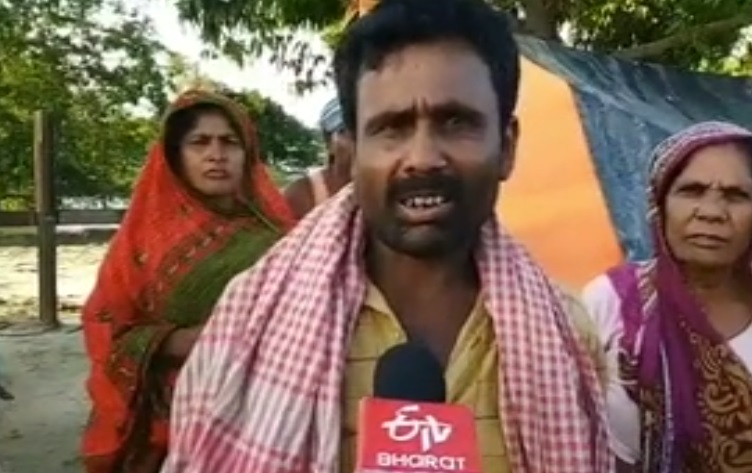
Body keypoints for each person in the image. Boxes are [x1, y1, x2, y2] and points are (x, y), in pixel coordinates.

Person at [161, 0, 612, 472]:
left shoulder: (568, 332)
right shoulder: (249, 317)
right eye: (391, 128)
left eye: (456, 122)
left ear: (507, 147)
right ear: (352, 155)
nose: (421, 157)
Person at [581, 121, 752, 472]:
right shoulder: (613, 302)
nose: (712, 212)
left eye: (736, 195)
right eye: (692, 190)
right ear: (660, 203)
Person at [81, 89, 296, 473]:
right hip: (166, 425)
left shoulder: (278, 237)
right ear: (175, 156)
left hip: (261, 415)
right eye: (199, 142)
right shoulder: (142, 242)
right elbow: (106, 325)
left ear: (247, 155)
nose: (217, 154)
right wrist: (188, 342)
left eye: (230, 142)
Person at [283, 97, 352, 218]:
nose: (359, 142)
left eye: (368, 132)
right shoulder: (302, 195)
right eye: (347, 132)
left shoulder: (384, 190)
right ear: (328, 142)